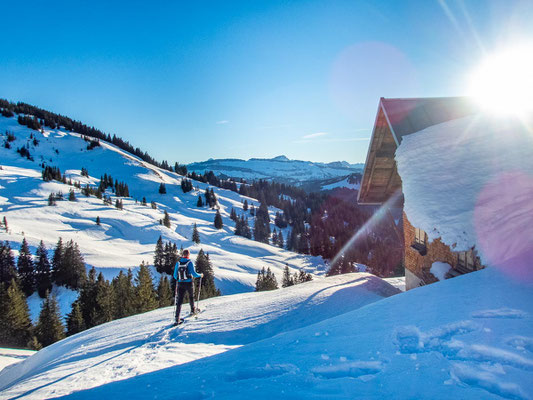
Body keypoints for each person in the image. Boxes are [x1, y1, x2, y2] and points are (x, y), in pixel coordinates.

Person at [173, 249, 202, 325]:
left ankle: (177, 318)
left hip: (180, 283)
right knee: (191, 297)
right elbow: (194, 274)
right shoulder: (189, 263)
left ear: (183, 254)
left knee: (179, 301)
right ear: (188, 255)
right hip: (189, 283)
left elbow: (175, 276)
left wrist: (179, 279)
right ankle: (192, 310)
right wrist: (200, 275)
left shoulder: (178, 263)